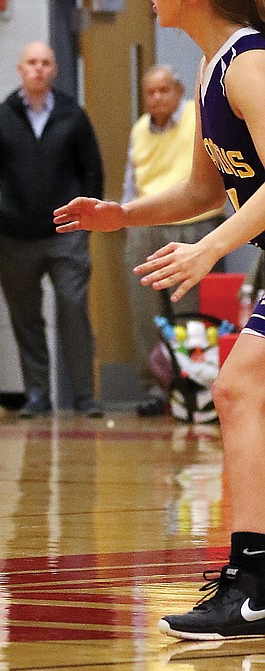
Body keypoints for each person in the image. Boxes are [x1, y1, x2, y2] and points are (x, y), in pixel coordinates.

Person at [54, 0, 265, 640]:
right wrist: (122, 213)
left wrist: (210, 251)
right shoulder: (215, 69)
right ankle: (254, 577)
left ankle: (254, 580)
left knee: (239, 388)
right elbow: (210, 190)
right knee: (243, 391)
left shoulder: (249, 64)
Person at [0, 42, 105, 418]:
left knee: (73, 310)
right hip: (14, 235)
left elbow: (92, 171)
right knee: (26, 319)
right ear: (20, 69)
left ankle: (85, 396)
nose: (38, 69)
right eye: (31, 63)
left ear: (54, 70)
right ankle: (37, 395)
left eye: (45, 63)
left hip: (66, 235)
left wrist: (87, 221)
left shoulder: (73, 115)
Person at [123, 65, 226, 416]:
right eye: (150, 92)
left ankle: (197, 388)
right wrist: (127, 219)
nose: (156, 98)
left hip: (194, 226)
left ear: (179, 90)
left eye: (163, 90)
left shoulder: (198, 118)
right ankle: (156, 389)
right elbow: (131, 181)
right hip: (147, 228)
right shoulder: (139, 130)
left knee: (191, 314)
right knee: (145, 312)